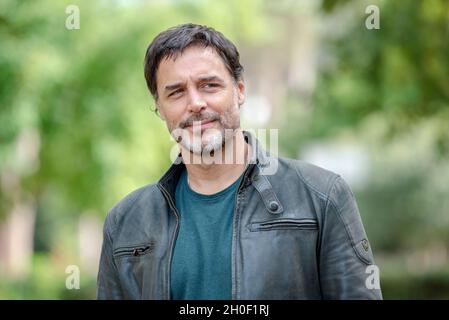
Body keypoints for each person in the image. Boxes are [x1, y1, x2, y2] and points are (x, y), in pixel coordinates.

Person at [96, 23, 382, 300]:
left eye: (209, 85)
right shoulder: (125, 223)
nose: (195, 103)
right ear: (159, 107)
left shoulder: (322, 198)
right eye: (176, 92)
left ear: (240, 90)